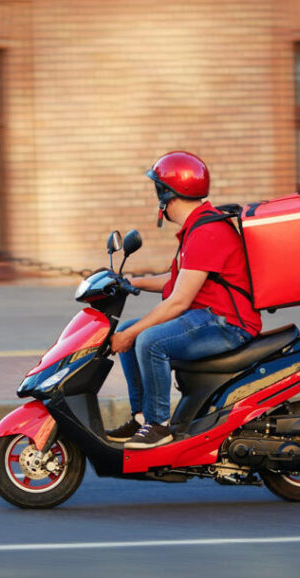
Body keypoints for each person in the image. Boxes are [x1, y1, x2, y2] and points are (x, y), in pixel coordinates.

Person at [105, 151, 261, 449]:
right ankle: (141, 420)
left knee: (148, 339)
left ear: (167, 193)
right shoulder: (197, 228)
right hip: (207, 317)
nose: (157, 199)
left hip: (227, 324)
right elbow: (174, 281)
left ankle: (158, 425)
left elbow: (178, 301)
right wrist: (129, 283)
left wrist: (129, 335)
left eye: (158, 190)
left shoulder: (207, 231)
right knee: (131, 328)